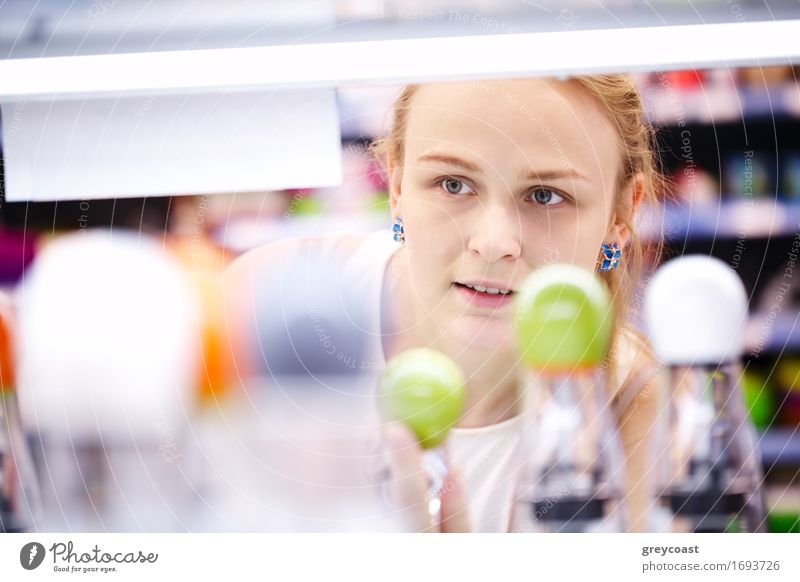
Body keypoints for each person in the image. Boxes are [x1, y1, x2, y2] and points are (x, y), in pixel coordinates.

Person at [225, 74, 666, 533]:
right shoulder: (266, 311)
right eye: (453, 184)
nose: (494, 243)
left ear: (621, 216)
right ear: (397, 188)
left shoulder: (645, 416)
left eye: (545, 195)